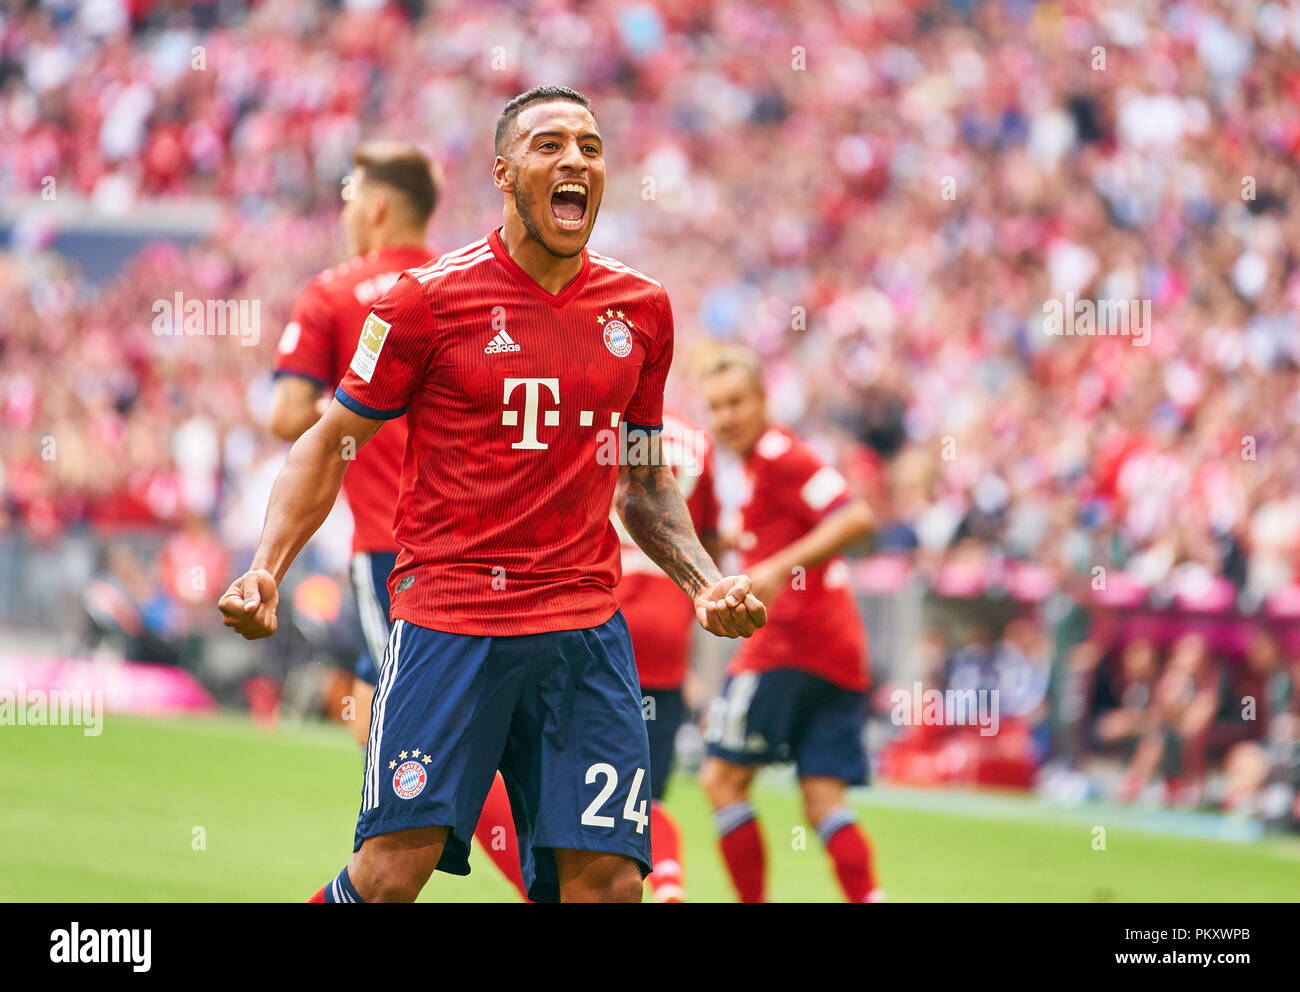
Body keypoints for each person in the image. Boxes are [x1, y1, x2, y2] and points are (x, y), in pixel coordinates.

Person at [219, 85, 766, 904]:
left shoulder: (641, 311)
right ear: (505, 173)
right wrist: (269, 565)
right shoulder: (425, 302)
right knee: (389, 873)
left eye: (590, 145)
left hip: (582, 634)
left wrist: (703, 582)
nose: (575, 159)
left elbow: (645, 484)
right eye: (549, 146)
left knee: (609, 885)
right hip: (450, 624)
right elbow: (326, 440)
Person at [268, 141, 530, 899]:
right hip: (492, 550)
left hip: (398, 556)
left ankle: (529, 879)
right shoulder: (463, 287)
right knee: (363, 710)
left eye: (350, 200)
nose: (348, 215)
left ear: (375, 206)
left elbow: (288, 413)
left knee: (429, 744)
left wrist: (368, 392)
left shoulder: (339, 293)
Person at [695, 344, 880, 903]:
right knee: (825, 798)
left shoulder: (780, 454)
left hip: (789, 644)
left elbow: (858, 516)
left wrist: (776, 566)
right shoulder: (754, 472)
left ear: (764, 400)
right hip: (840, 651)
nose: (726, 418)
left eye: (736, 402)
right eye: (716, 406)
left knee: (721, 781)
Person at [612, 408, 719, 902]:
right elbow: (704, 542)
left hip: (597, 620)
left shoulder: (589, 414)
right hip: (666, 638)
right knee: (647, 792)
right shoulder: (696, 442)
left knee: (560, 778)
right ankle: (670, 883)